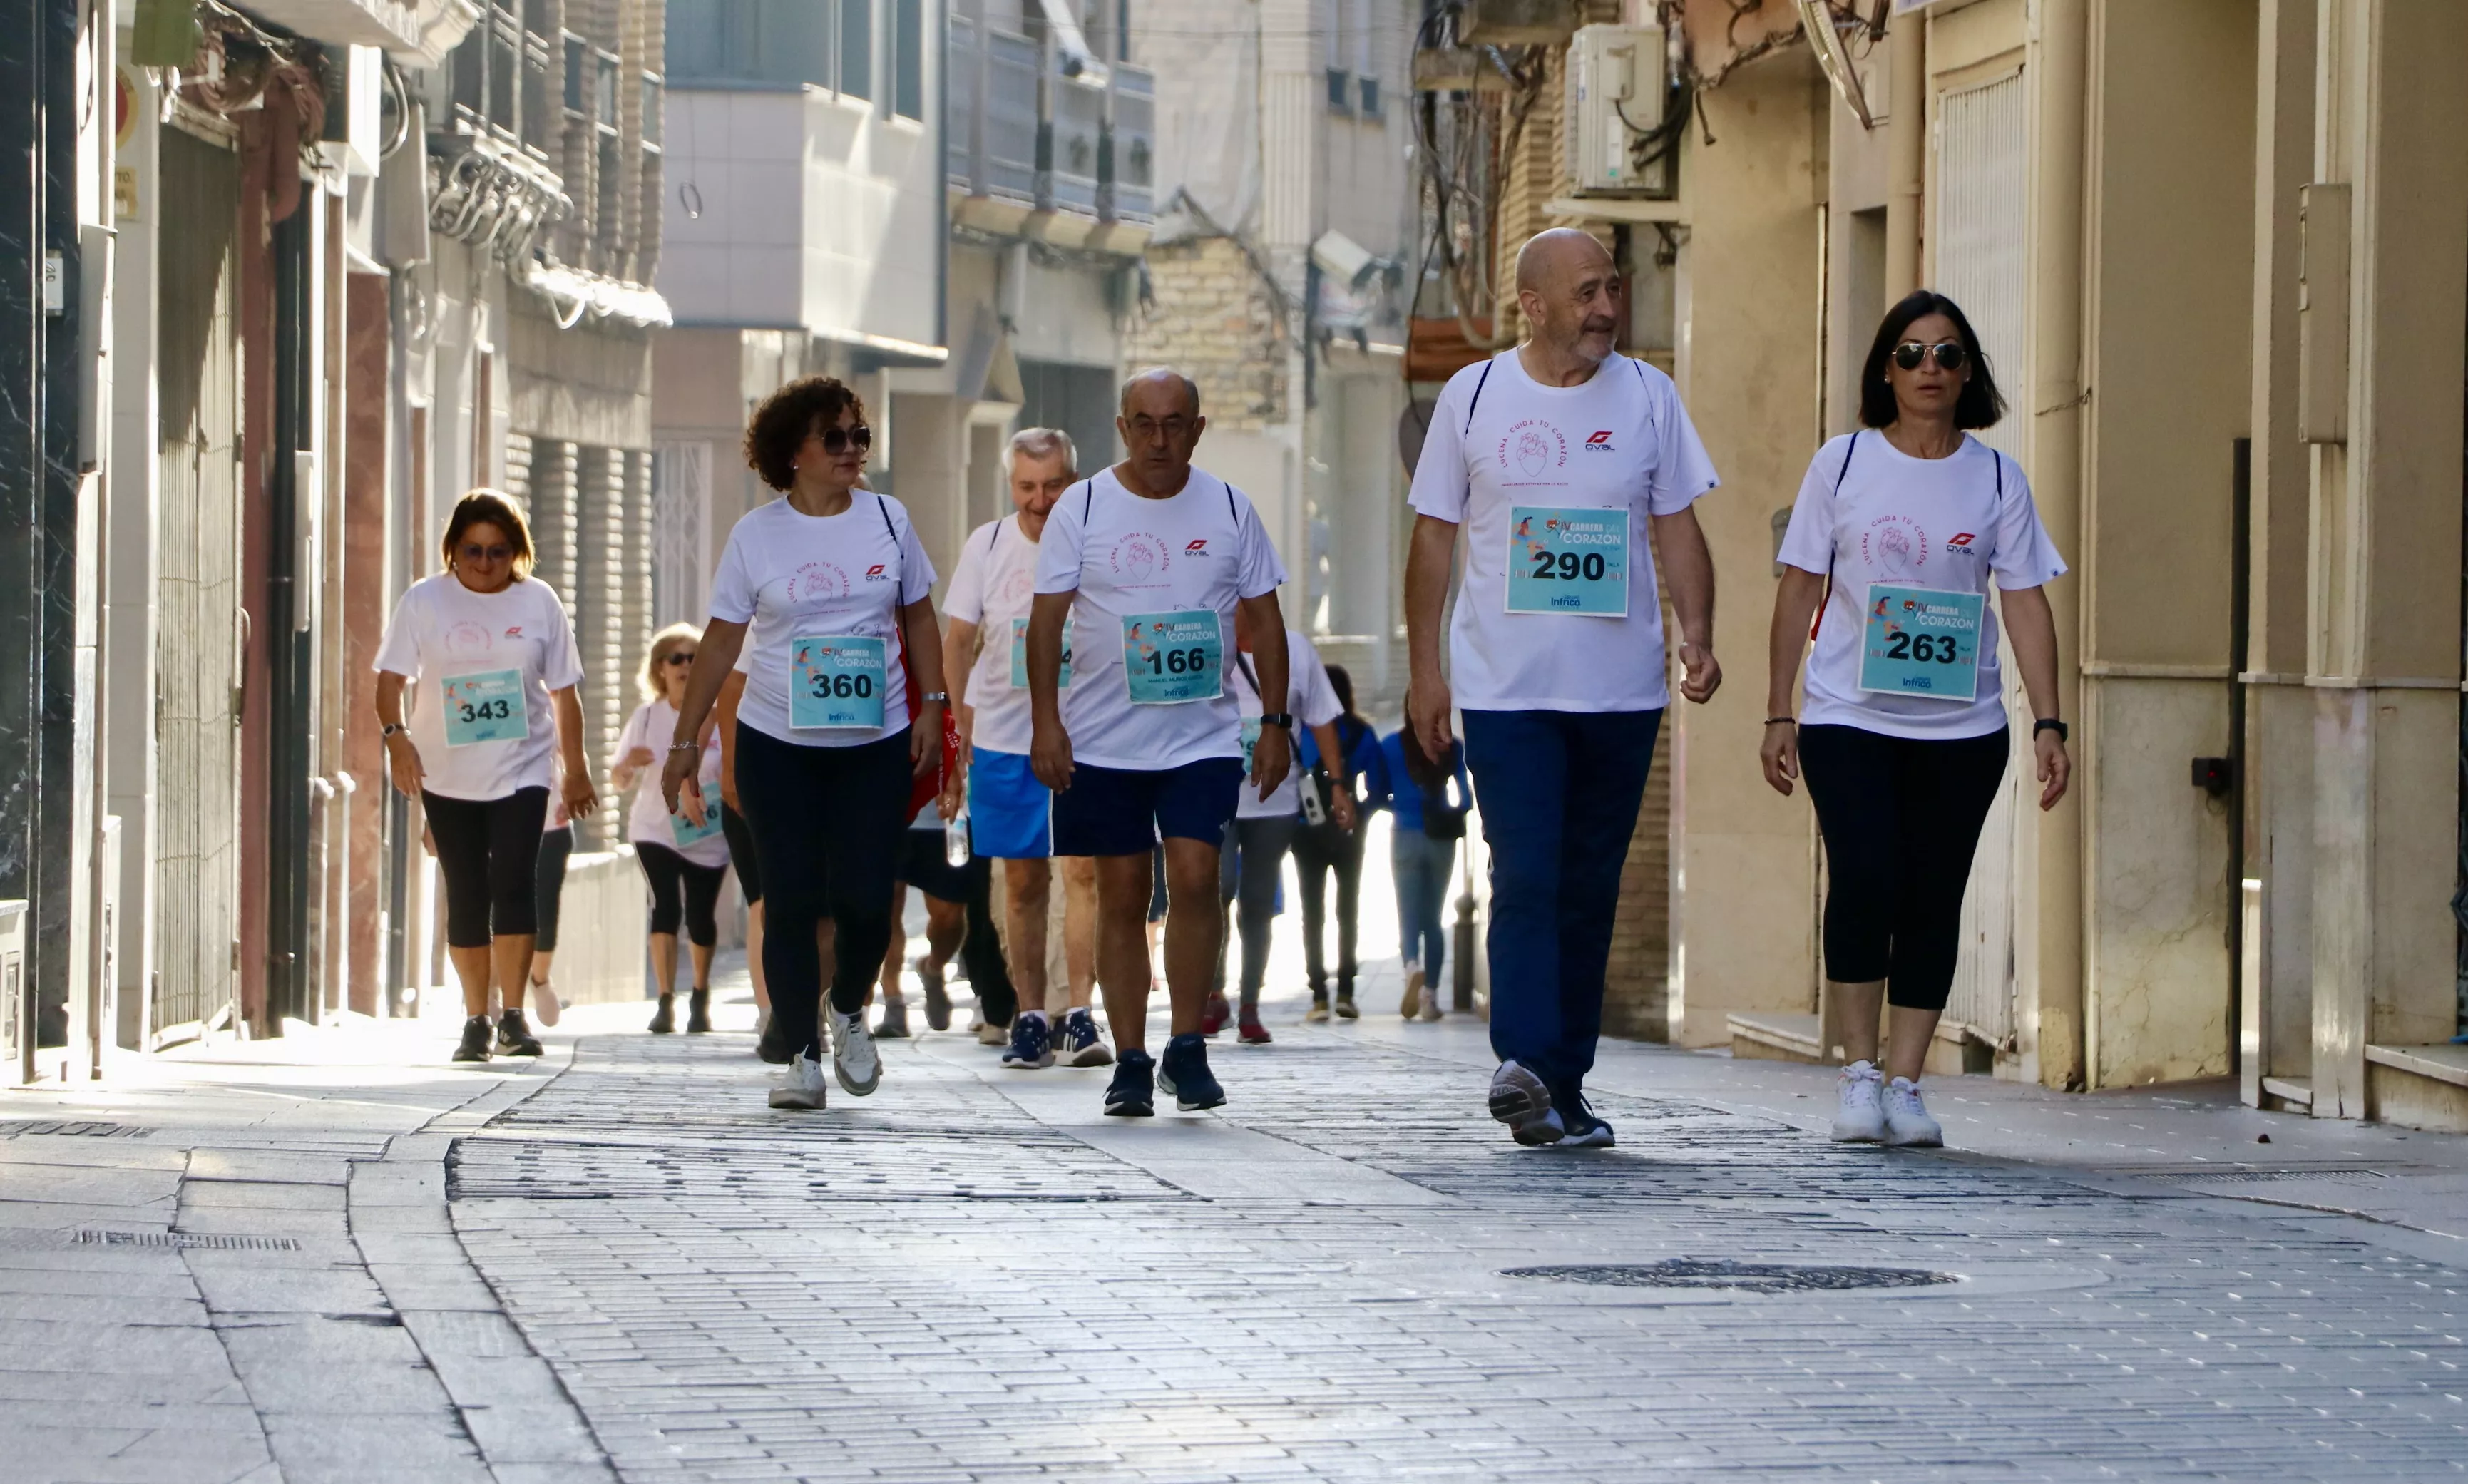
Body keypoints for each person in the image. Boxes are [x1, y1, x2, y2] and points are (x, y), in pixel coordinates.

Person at [1404, 228, 1721, 1149]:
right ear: (1531, 306)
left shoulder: (1649, 398)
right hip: (1504, 690)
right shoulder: (1471, 397)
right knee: (1528, 870)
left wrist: (1696, 632)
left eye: (1611, 290)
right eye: (1586, 293)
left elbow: (1675, 526)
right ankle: (1525, 1062)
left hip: (1620, 694)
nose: (1607, 309)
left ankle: (1562, 1083)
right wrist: (1427, 668)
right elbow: (1433, 539)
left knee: (1588, 885)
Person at [1761, 290, 2070, 1150]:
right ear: (1883, 371)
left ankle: (1905, 1081)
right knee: (1864, 879)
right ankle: (1856, 1071)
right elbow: (1797, 589)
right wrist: (1776, 709)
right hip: (1846, 718)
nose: (1925, 369)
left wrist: (2049, 722)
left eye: (1943, 354)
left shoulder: (1997, 476)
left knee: (1932, 895)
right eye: (1907, 354)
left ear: (1967, 371)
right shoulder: (1843, 464)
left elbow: (2025, 601)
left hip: (1960, 732)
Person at [662, 375, 949, 1112]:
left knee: (862, 902)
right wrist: (686, 738)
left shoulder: (889, 518)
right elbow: (723, 638)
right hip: (776, 740)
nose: (853, 450)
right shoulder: (756, 535)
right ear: (793, 452)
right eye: (836, 437)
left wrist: (933, 706)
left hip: (873, 739)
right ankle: (800, 1055)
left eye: (860, 436)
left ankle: (847, 1006)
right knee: (788, 901)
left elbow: (918, 616)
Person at [1027, 369, 1291, 1116]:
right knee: (1120, 892)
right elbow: (1046, 624)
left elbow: (1265, 622)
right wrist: (1047, 721)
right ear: (1122, 427)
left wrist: (1273, 723)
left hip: (1200, 736)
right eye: (1143, 423)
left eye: (1174, 424)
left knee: (1197, 876)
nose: (1158, 439)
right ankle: (1132, 1059)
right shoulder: (1081, 506)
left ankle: (1186, 1045)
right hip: (1105, 740)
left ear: (1197, 430)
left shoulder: (1231, 507)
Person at [375, 490, 598, 1063]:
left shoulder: (539, 602)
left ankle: (515, 1015)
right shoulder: (424, 601)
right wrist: (397, 739)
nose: (483, 562)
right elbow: (389, 682)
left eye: (498, 551)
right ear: (453, 550)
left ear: (516, 552)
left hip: (523, 766)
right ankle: (477, 1018)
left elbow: (565, 694)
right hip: (446, 772)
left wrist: (576, 769)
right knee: (467, 890)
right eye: (471, 550)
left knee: (515, 880)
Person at [941, 428, 1110, 1070]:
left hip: (1086, 739)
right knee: (1020, 882)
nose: (1040, 501)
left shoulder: (1096, 542)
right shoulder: (987, 545)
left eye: (1053, 485)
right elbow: (957, 644)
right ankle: (1031, 1014)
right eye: (1027, 487)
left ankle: (1079, 1014)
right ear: (1011, 485)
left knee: (1083, 871)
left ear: (1074, 478)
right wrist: (958, 738)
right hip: (1005, 741)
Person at [1211, 617, 1352, 1040]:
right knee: (1217, 888)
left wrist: (1339, 785)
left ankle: (1250, 1004)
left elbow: (1322, 718)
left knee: (1256, 903)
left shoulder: (1294, 649)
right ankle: (1212, 995)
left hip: (1276, 797)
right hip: (1216, 795)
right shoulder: (1206, 639)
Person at [613, 623, 729, 1035]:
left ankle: (699, 995)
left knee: (700, 916)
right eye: (675, 658)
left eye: (693, 658)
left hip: (706, 833)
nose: (684, 665)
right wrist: (629, 766)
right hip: (654, 828)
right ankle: (665, 1000)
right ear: (659, 669)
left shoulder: (719, 714)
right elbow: (617, 778)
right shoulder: (646, 717)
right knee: (665, 905)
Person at [1293, 665, 1383, 1023]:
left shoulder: (1301, 731)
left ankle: (1318, 995)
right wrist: (1360, 813)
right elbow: (1378, 787)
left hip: (1305, 828)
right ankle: (1346, 992)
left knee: (1311, 912)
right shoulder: (1361, 732)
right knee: (1348, 911)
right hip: (1348, 832)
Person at [1381, 721, 1469, 1022]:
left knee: (1407, 916)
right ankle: (1430, 997)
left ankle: (1411, 969)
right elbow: (1466, 798)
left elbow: (1379, 792)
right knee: (1433, 919)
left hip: (1405, 834)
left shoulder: (1392, 745)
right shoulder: (1453, 747)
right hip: (1441, 839)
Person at [713, 659, 772, 1048]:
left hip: (827, 773)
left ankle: (833, 1005)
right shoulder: (752, 624)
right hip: (752, 786)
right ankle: (770, 1011)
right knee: (761, 903)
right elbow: (717, 699)